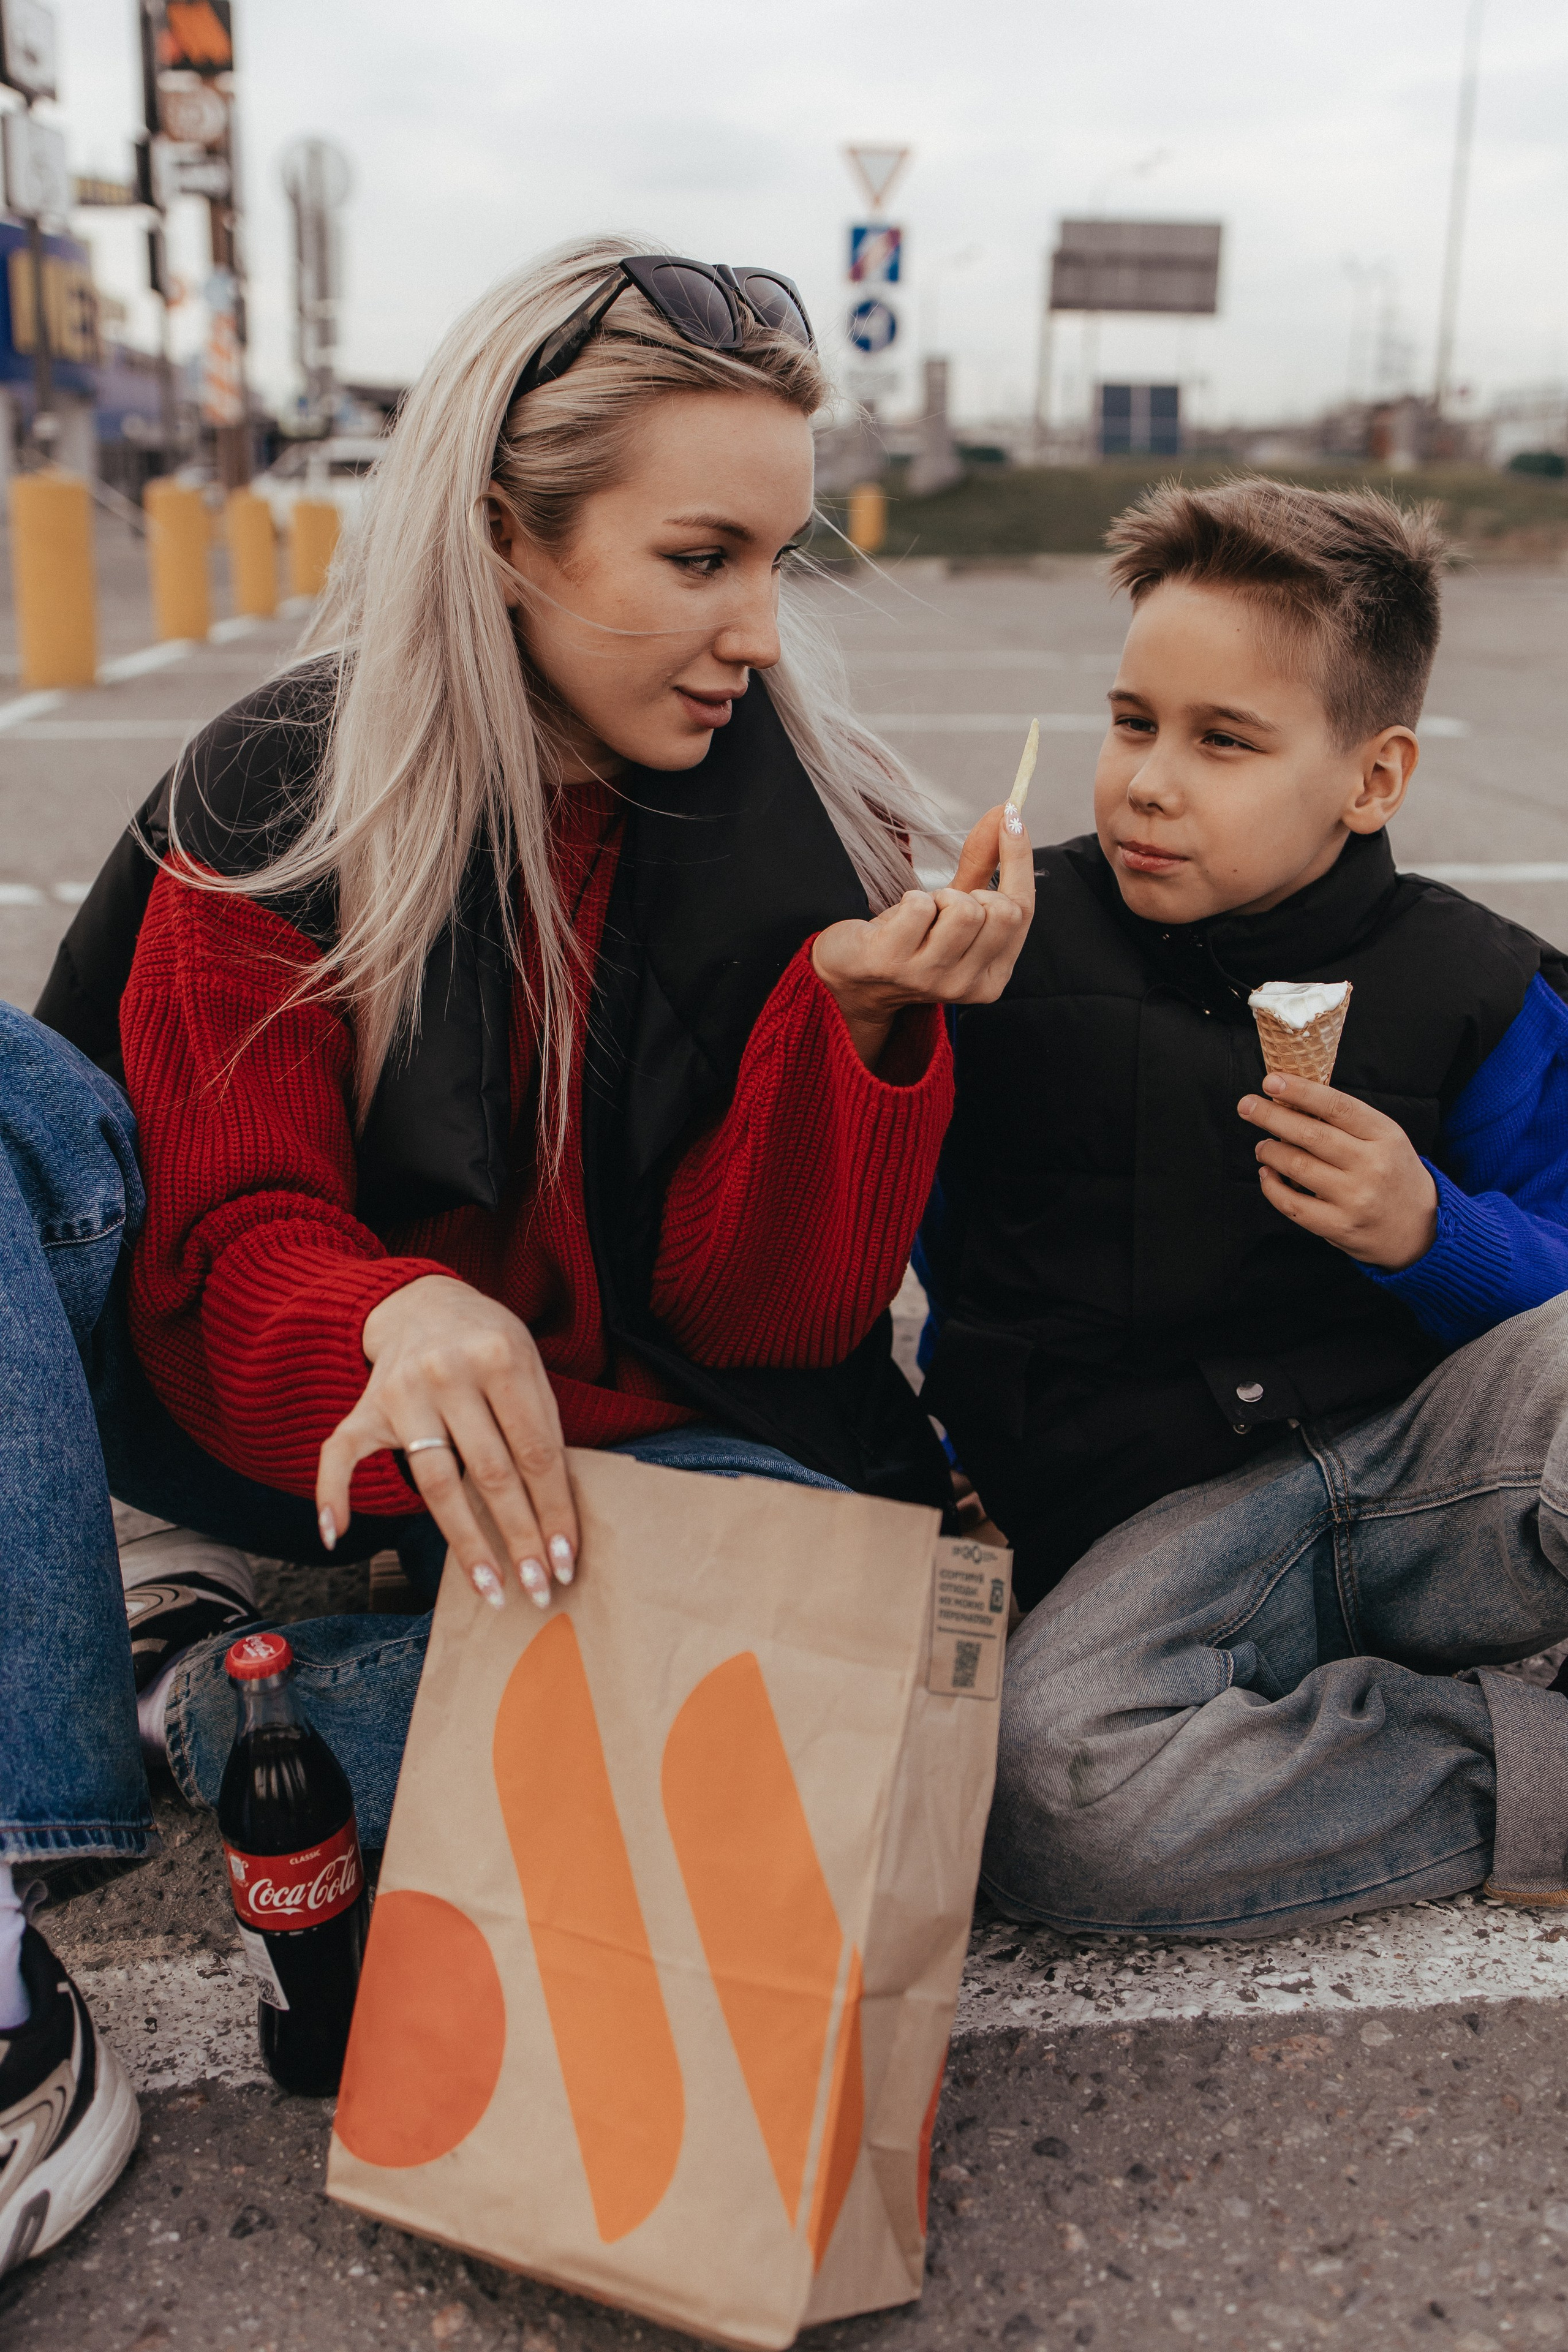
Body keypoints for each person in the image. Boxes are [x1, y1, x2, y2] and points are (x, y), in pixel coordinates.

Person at [0, 236, 1035, 2272]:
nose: (756, 632)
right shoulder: (279, 798)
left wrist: (857, 1031)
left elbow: (766, 1326)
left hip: (614, 1450)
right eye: (698, 559)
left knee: (885, 1719)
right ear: (501, 534)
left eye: (778, 560)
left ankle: (234, 1693)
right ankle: (24, 1913)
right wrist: (391, 1311)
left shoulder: (805, 828)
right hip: (277, 1429)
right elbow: (225, 1249)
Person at [918, 477, 1568, 1939]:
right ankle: (1501, 1765)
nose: (1148, 782)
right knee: (1054, 1797)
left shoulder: (1480, 990)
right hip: (1154, 1546)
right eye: (1130, 722)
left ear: (1371, 779)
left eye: (1222, 740)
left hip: (1418, 1487)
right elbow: (938, 1263)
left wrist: (1434, 1237)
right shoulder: (1008, 956)